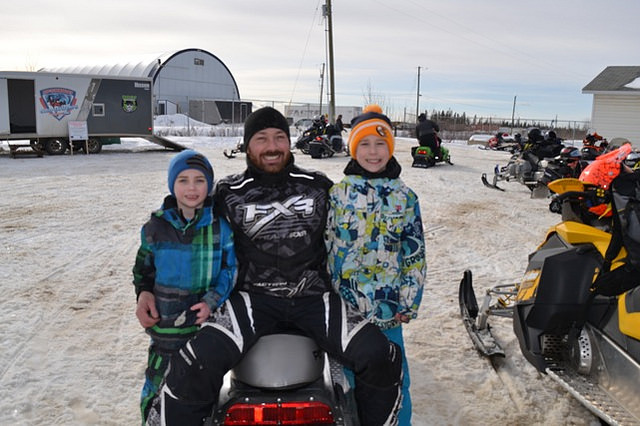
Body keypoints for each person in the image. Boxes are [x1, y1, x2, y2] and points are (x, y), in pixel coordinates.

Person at [158, 107, 403, 425]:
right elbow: (188, 215)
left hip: (315, 298)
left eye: (279, 137)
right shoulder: (228, 192)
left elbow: (359, 221)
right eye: (261, 138)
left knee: (380, 355)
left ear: (289, 143)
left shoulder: (318, 186)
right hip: (251, 299)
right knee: (192, 364)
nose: (272, 146)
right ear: (247, 146)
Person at [326, 105, 426, 426]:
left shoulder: (405, 199)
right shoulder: (336, 196)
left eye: (380, 144)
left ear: (391, 149)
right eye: (365, 144)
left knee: (393, 382)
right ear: (354, 149)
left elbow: (414, 255)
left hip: (387, 310)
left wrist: (409, 302)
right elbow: (324, 250)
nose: (373, 152)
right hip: (346, 311)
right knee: (345, 385)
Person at [132, 149, 237, 424]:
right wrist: (143, 293)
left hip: (204, 330)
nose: (192, 188)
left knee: (200, 393)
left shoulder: (220, 228)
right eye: (183, 180)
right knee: (157, 389)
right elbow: (143, 269)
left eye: (200, 180)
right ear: (172, 185)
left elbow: (231, 269)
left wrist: (213, 300)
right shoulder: (155, 227)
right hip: (165, 330)